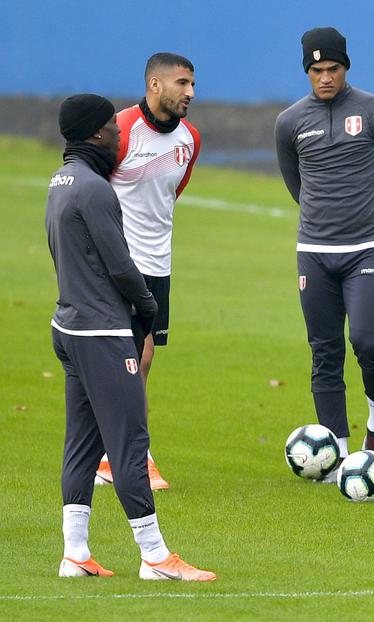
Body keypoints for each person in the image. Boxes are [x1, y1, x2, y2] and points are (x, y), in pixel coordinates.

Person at [47, 94, 215, 581]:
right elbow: (120, 263)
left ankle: (74, 553)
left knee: (80, 444)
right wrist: (146, 307)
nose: (120, 134)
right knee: (129, 441)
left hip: (69, 324)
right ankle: (155, 557)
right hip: (103, 331)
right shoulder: (97, 190)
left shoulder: (60, 182)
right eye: (111, 129)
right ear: (95, 134)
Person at [275, 27, 374, 475]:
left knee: (368, 342)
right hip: (313, 251)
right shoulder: (289, 122)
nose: (325, 77)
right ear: (306, 72)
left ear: (345, 67)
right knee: (324, 351)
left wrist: (359, 214)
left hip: (365, 250)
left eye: (332, 68)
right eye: (316, 70)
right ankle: (341, 454)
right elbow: (297, 185)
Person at [96, 52, 201, 491]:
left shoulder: (191, 139)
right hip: (117, 264)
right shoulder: (118, 131)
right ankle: (133, 456)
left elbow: (170, 194)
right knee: (128, 359)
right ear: (154, 85)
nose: (190, 93)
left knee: (144, 358)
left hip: (159, 265)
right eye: (182, 84)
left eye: (193, 85)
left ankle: (107, 456)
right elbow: (89, 194)